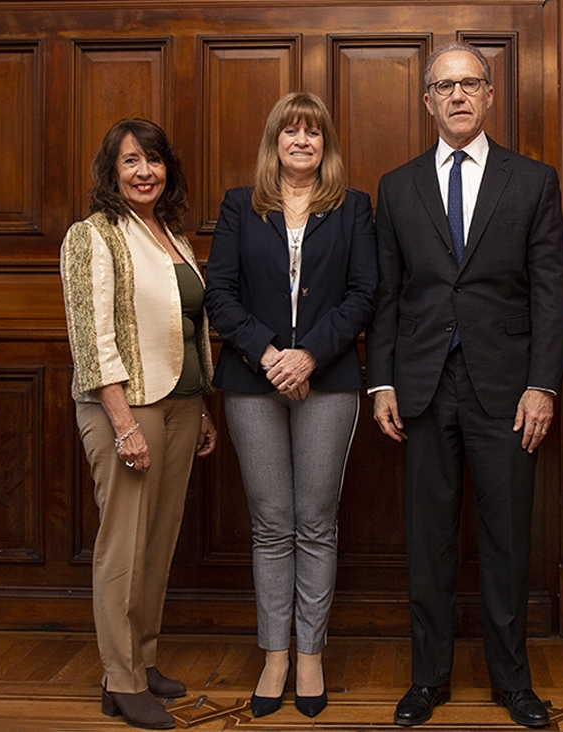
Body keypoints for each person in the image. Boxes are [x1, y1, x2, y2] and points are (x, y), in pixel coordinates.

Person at [367, 42, 563, 729]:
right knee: (428, 541)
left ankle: (514, 683)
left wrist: (543, 385)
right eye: (443, 86)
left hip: (508, 389)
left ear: (490, 96)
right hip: (422, 385)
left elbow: (550, 294)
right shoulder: (396, 187)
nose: (456, 96)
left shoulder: (534, 181)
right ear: (427, 102)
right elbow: (387, 296)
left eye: (469, 84)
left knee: (508, 536)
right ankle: (428, 680)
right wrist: (381, 382)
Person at [204, 92, 377, 720]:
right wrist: (270, 355)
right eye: (290, 131)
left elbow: (364, 295)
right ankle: (274, 651)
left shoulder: (353, 208)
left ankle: (311, 653)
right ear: (273, 140)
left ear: (326, 144)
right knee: (271, 523)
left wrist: (308, 357)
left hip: (328, 382)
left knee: (315, 519)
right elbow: (219, 294)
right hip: (252, 382)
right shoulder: (238, 206)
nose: (301, 141)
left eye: (313, 132)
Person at [60, 118, 218, 731]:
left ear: (167, 169)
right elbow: (91, 337)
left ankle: (142, 660)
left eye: (153, 160)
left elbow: (187, 328)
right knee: (122, 544)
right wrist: (123, 422)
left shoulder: (170, 233)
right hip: (125, 407)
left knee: (159, 539)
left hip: (180, 403)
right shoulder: (91, 235)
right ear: (112, 171)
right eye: (130, 161)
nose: (144, 171)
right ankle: (120, 681)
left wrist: (201, 404)